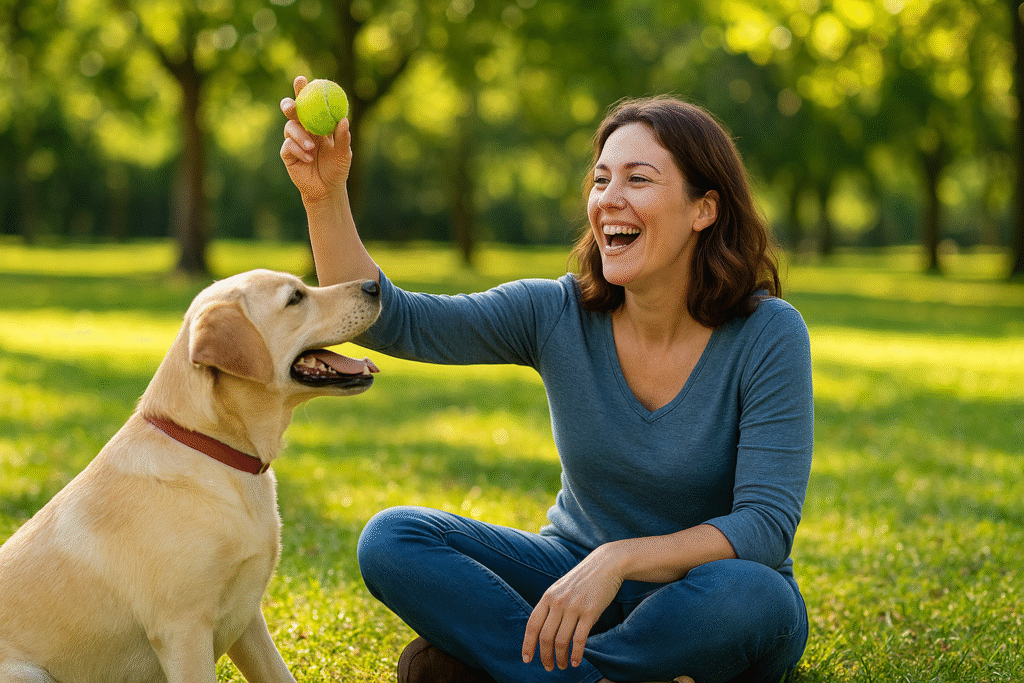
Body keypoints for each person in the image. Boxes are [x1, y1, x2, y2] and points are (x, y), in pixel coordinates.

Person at [280, 75, 812, 683]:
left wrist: (619, 559)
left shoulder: (768, 333)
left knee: (752, 595)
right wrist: (324, 197)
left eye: (638, 179)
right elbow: (391, 323)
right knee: (393, 538)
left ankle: (520, 666)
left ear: (704, 209)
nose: (609, 196)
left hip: (700, 597)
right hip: (568, 577)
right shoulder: (557, 312)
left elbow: (765, 528)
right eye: (601, 178)